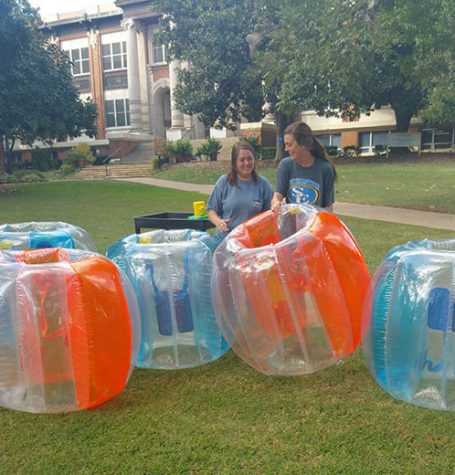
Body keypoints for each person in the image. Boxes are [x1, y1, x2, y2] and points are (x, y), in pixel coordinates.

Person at [207, 140, 274, 240]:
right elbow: (211, 210)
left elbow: (270, 215)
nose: (246, 163)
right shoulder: (224, 182)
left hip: (252, 243)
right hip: (226, 241)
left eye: (250, 159)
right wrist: (218, 221)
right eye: (242, 160)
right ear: (234, 162)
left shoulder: (263, 184)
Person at [271, 121, 337, 212]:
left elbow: (329, 207)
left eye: (289, 145)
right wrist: (276, 203)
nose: (286, 149)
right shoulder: (285, 165)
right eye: (285, 145)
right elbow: (277, 195)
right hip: (291, 224)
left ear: (303, 144)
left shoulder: (325, 169)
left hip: (314, 224)